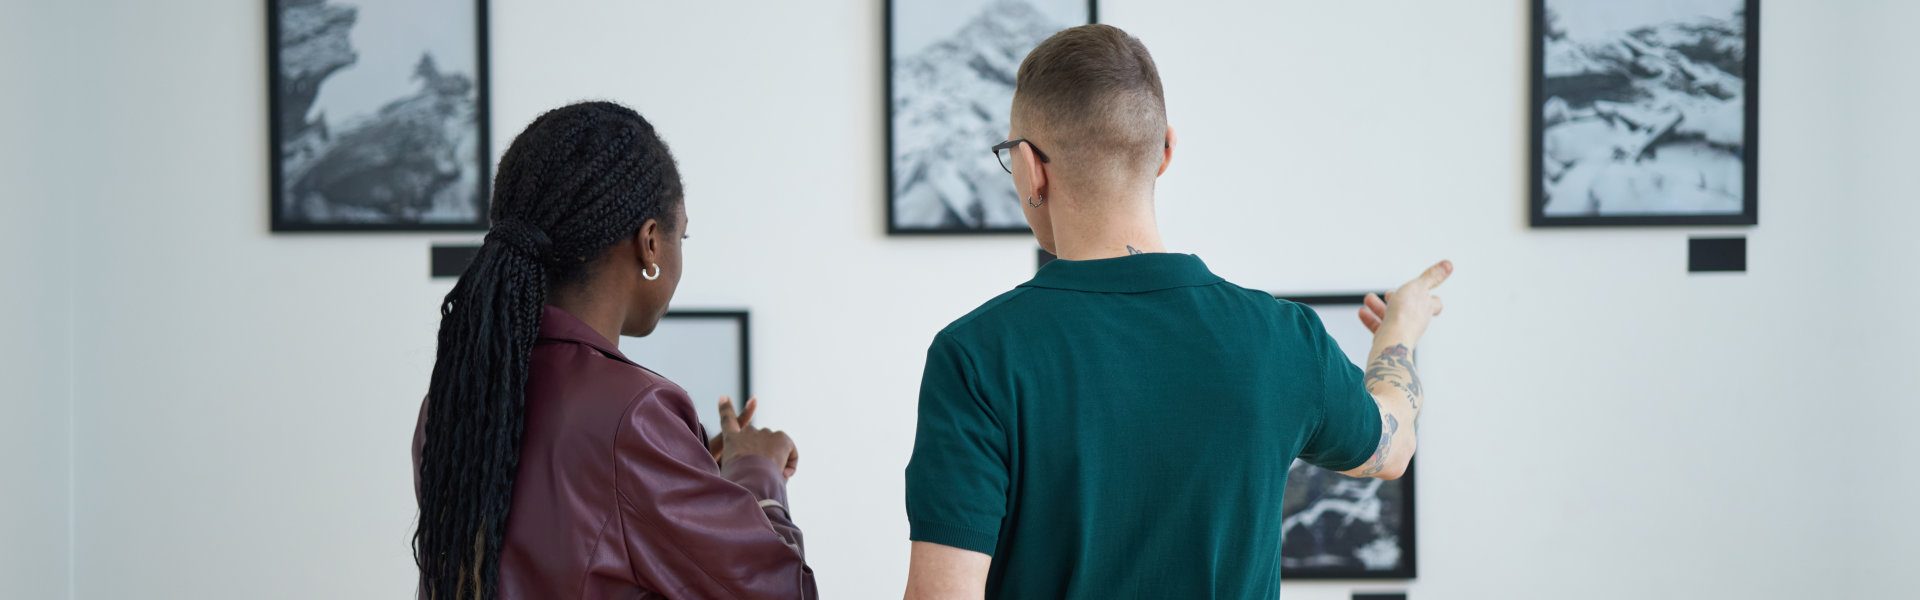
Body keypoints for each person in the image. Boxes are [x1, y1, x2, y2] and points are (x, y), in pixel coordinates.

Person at [901, 25, 1451, 598]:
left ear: (1030, 168)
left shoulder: (976, 356)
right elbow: (1392, 448)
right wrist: (1400, 332)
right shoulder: (1284, 339)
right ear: (1164, 150)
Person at [412, 101, 816, 599]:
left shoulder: (454, 398)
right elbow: (781, 591)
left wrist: (697, 477)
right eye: (680, 235)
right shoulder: (634, 414)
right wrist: (758, 471)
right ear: (650, 243)